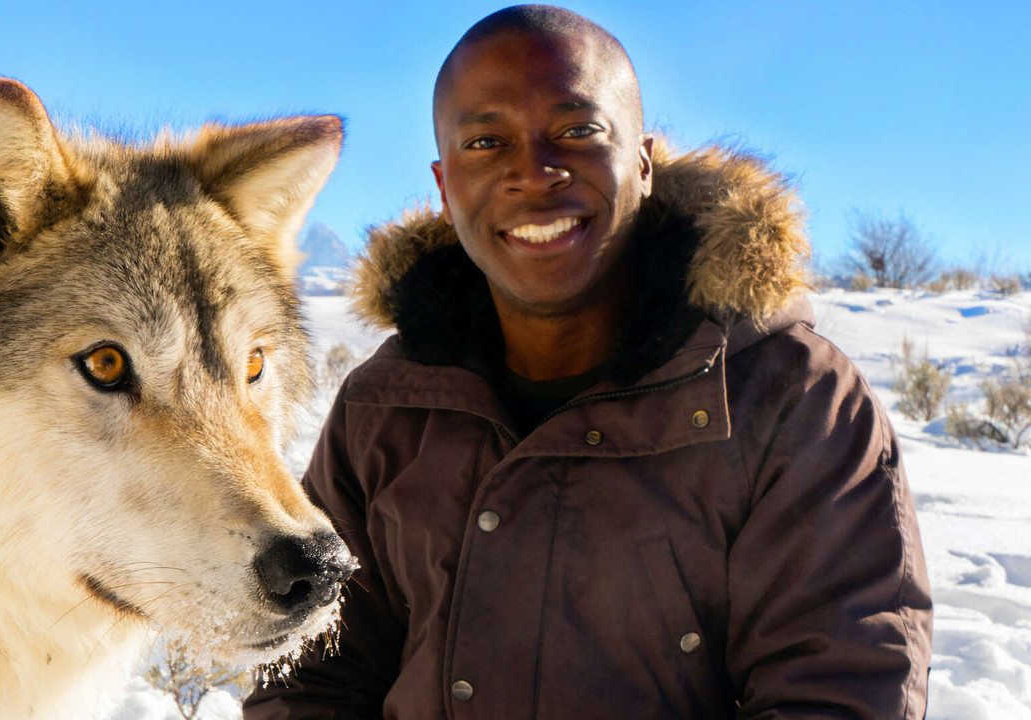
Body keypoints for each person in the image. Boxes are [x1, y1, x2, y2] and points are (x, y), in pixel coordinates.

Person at [244, 5, 931, 718]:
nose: (533, 173)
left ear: (641, 161)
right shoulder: (385, 405)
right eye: (486, 141)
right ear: (445, 188)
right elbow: (310, 674)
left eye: (577, 131)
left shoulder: (789, 396)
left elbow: (839, 694)